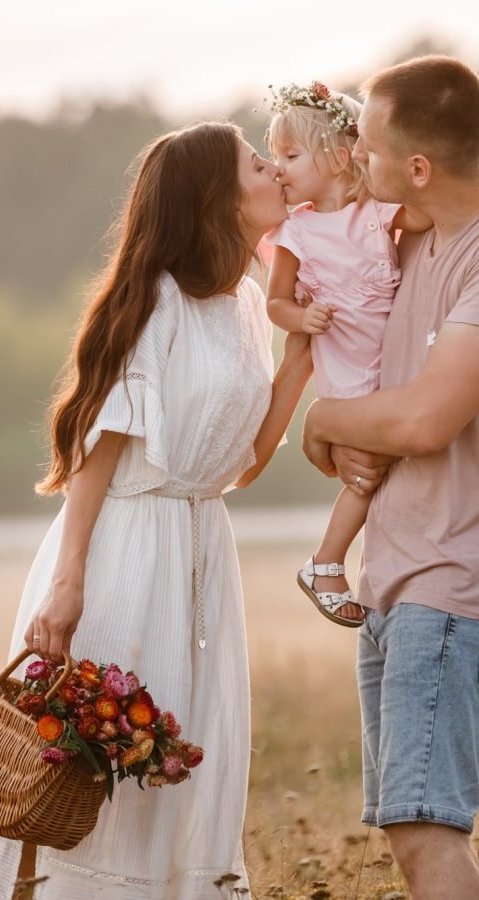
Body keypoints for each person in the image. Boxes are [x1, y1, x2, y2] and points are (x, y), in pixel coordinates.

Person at [0, 121, 316, 900]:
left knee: (192, 754)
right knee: (107, 766)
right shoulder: (155, 303)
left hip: (200, 548)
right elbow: (101, 452)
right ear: (217, 200)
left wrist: (300, 365)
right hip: (126, 549)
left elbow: (242, 467)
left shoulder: (249, 307)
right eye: (258, 164)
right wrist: (68, 582)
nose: (275, 173)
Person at [302, 56, 479, 899]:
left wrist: (326, 421)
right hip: (393, 585)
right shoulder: (405, 241)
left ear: (418, 166)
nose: (354, 164)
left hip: (449, 586)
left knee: (423, 827)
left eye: (367, 150)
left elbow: (422, 421)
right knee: (412, 833)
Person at [264, 81, 430, 627]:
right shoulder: (298, 232)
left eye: (290, 155)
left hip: (394, 369)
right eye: (273, 157)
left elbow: (426, 218)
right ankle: (326, 561)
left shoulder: (374, 214)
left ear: (339, 157)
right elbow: (276, 303)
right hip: (348, 374)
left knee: (385, 468)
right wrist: (302, 317)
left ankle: (359, 562)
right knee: (368, 472)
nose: (279, 168)